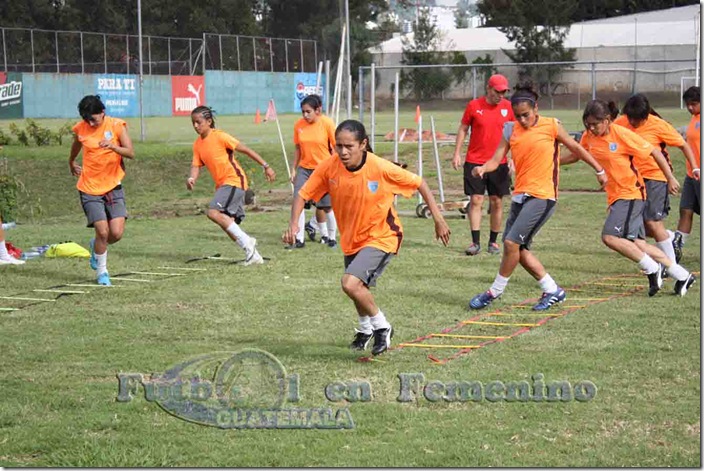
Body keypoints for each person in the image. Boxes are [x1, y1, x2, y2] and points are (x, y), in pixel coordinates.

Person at [283, 120, 451, 356]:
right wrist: (293, 225)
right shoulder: (330, 166)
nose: (342, 152)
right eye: (338, 146)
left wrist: (438, 218)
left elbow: (420, 182)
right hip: (352, 238)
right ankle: (364, 330)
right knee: (356, 288)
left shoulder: (380, 167)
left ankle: (382, 327)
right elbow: (302, 195)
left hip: (383, 235)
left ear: (363, 144)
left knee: (350, 283)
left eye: (349, 146)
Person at [469, 82, 607, 311]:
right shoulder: (510, 129)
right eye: (518, 116)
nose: (522, 120)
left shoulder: (551, 126)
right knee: (516, 248)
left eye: (526, 115)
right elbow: (497, 159)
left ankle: (494, 291)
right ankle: (553, 290)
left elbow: (577, 148)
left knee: (512, 243)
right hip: (520, 196)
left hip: (543, 196)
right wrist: (484, 168)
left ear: (536, 109)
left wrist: (599, 170)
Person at [572, 99, 695, 296]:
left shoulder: (621, 135)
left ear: (607, 120)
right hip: (616, 196)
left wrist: (670, 177)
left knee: (610, 237)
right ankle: (682, 275)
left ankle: (653, 268)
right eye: (588, 125)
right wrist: (551, 162)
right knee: (638, 243)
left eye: (595, 124)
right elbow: (577, 154)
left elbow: (654, 151)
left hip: (630, 194)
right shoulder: (589, 136)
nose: (591, 128)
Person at [613, 93, 698, 273]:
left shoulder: (658, 125)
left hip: (655, 177)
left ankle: (672, 267)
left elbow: (683, 145)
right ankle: (670, 237)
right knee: (639, 228)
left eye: (637, 120)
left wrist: (694, 167)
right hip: (633, 180)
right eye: (630, 118)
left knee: (652, 222)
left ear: (646, 116)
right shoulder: (621, 122)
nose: (633, 123)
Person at [187, 106, 276, 265]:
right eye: (193, 123)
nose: (195, 126)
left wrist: (266, 166)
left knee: (213, 212)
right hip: (223, 185)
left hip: (234, 180)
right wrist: (192, 178)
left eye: (198, 122)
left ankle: (248, 242)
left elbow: (246, 150)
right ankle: (253, 255)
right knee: (227, 223)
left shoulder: (220, 136)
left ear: (209, 121)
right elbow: (195, 166)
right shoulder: (197, 144)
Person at [68, 95, 134, 286]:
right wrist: (71, 161)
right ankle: (102, 272)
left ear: (102, 112)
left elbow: (130, 152)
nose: (90, 122)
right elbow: (76, 144)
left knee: (116, 233)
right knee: (103, 232)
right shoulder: (81, 128)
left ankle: (96, 246)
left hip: (113, 186)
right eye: (86, 119)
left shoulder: (116, 126)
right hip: (89, 188)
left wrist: (113, 146)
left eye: (93, 118)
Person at [452, 74, 515, 256]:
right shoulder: (474, 106)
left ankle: (493, 242)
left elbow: (515, 134)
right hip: (475, 160)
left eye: (504, 92)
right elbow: (463, 128)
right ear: (488, 88)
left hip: (499, 162)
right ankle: (475, 242)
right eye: (498, 91)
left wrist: (512, 157)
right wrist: (457, 153)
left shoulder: (508, 108)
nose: (501, 95)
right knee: (476, 200)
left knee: (496, 201)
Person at [289, 94, 338, 249]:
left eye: (308, 111)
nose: (305, 115)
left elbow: (336, 148)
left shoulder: (327, 123)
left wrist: (336, 168)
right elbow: (298, 149)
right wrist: (293, 169)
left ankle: (331, 237)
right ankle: (299, 239)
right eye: (303, 112)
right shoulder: (299, 125)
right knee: (299, 201)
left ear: (318, 110)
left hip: (323, 170)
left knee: (326, 205)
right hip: (304, 169)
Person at [673, 86, 701, 262]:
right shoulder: (693, 119)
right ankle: (677, 247)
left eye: (694, 104)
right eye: (688, 104)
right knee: (685, 210)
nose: (690, 107)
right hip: (692, 175)